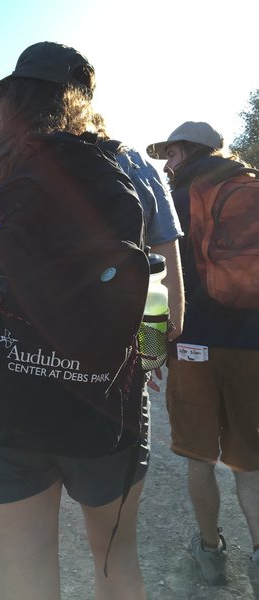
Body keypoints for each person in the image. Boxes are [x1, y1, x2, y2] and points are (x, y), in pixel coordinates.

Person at [0, 41, 183, 600]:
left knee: (23, 579)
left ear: (9, 100)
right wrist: (145, 360)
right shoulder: (133, 166)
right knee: (116, 560)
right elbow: (169, 307)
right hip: (104, 399)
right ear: (85, 100)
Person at [147, 121, 259, 594]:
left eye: (170, 153)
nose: (167, 164)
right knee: (251, 464)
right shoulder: (249, 189)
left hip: (191, 347)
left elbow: (156, 284)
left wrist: (150, 351)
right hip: (252, 346)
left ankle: (210, 551)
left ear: (185, 151)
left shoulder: (169, 202)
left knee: (199, 457)